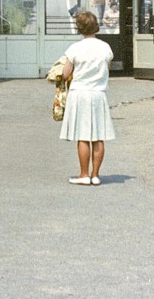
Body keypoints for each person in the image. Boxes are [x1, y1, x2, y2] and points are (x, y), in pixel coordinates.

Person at [59, 10, 116, 185]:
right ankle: (96, 175)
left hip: (80, 94)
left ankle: (84, 175)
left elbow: (65, 73)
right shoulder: (105, 47)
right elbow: (107, 66)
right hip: (98, 94)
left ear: (80, 28)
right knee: (98, 136)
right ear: (96, 27)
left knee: (83, 136)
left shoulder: (74, 48)